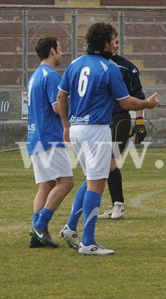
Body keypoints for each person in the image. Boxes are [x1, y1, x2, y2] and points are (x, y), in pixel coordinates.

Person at [57, 22, 159, 255]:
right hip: (96, 129)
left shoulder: (74, 64)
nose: (115, 44)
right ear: (104, 43)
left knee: (91, 178)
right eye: (112, 39)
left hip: (76, 128)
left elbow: (62, 95)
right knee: (97, 183)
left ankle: (71, 228)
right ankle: (88, 242)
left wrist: (65, 124)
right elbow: (126, 102)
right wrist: (147, 105)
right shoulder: (108, 67)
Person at [26, 36, 75, 248]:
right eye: (60, 49)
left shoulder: (34, 76)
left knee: (45, 185)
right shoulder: (51, 76)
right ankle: (39, 225)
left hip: (35, 136)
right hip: (49, 137)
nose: (62, 53)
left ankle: (37, 233)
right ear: (52, 50)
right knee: (66, 182)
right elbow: (57, 106)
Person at [98, 32, 146, 220]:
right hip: (101, 119)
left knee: (110, 160)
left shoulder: (126, 67)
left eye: (118, 42)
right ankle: (114, 204)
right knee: (103, 163)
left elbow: (139, 95)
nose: (116, 45)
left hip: (120, 118)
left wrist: (140, 121)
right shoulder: (95, 65)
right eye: (113, 42)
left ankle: (119, 204)